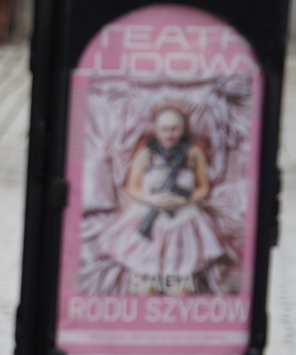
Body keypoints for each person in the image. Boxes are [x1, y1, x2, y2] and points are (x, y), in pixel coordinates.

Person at [90, 106, 226, 295]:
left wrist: (182, 200)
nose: (169, 134)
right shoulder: (146, 152)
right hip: (149, 217)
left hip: (184, 220)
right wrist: (152, 199)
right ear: (156, 129)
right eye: (164, 129)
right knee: (146, 289)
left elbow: (203, 188)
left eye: (175, 129)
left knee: (181, 291)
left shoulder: (194, 152)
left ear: (183, 129)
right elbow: (132, 188)